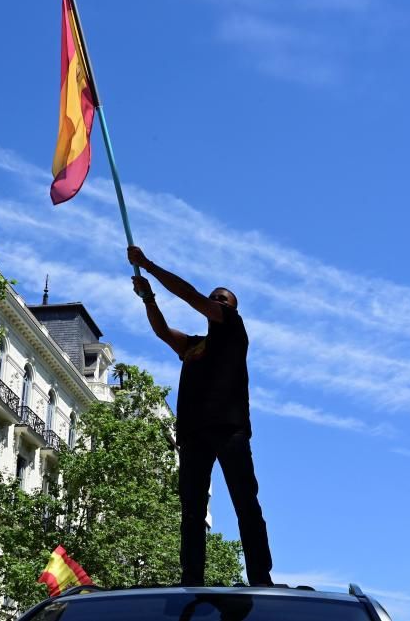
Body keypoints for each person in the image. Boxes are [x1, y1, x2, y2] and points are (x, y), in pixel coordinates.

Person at [127, 245, 273, 587]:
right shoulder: (193, 345)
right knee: (191, 510)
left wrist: (147, 264)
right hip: (193, 434)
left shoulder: (234, 328)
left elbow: (189, 294)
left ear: (231, 309)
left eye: (223, 299)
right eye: (215, 297)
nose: (217, 301)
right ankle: (191, 579)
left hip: (229, 429)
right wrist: (148, 298)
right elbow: (164, 332)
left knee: (245, 503)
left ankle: (260, 577)